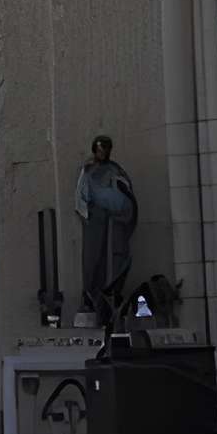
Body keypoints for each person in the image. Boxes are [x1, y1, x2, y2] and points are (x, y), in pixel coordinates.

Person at [71, 133, 136, 323]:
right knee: (93, 260)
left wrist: (121, 208)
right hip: (95, 224)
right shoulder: (88, 171)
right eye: (99, 150)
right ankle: (92, 296)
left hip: (114, 224)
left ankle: (112, 293)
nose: (103, 153)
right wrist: (91, 213)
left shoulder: (116, 171)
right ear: (94, 151)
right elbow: (80, 198)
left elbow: (126, 193)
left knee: (115, 258)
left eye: (106, 149)